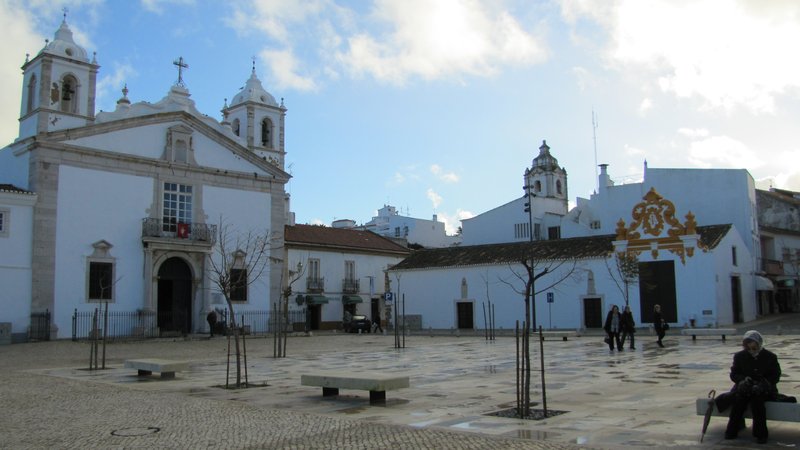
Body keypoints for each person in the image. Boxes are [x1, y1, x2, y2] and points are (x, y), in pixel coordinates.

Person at [724, 330, 781, 444]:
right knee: (739, 402)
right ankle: (731, 431)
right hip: (746, 387)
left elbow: (775, 375)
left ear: (758, 343)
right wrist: (743, 380)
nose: (750, 347)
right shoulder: (740, 356)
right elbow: (734, 373)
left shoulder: (770, 356)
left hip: (763, 388)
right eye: (747, 344)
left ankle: (761, 435)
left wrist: (764, 383)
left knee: (758, 403)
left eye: (752, 343)